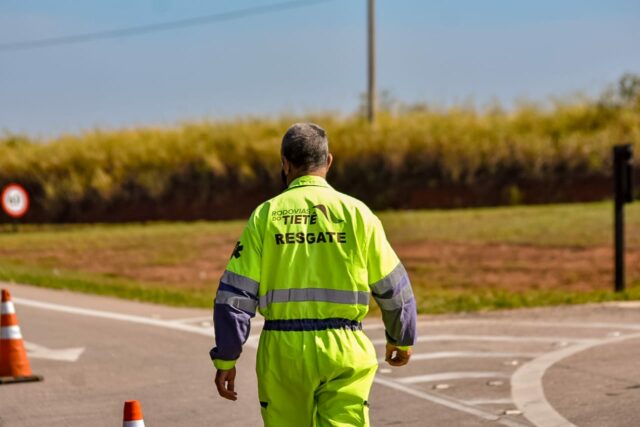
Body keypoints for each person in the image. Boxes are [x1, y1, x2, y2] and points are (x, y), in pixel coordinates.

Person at [210, 123, 417, 426]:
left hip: (283, 352)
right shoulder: (358, 213)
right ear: (328, 161)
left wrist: (227, 357)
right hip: (344, 348)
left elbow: (234, 296)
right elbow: (394, 287)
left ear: (285, 164)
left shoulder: (265, 215)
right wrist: (401, 338)